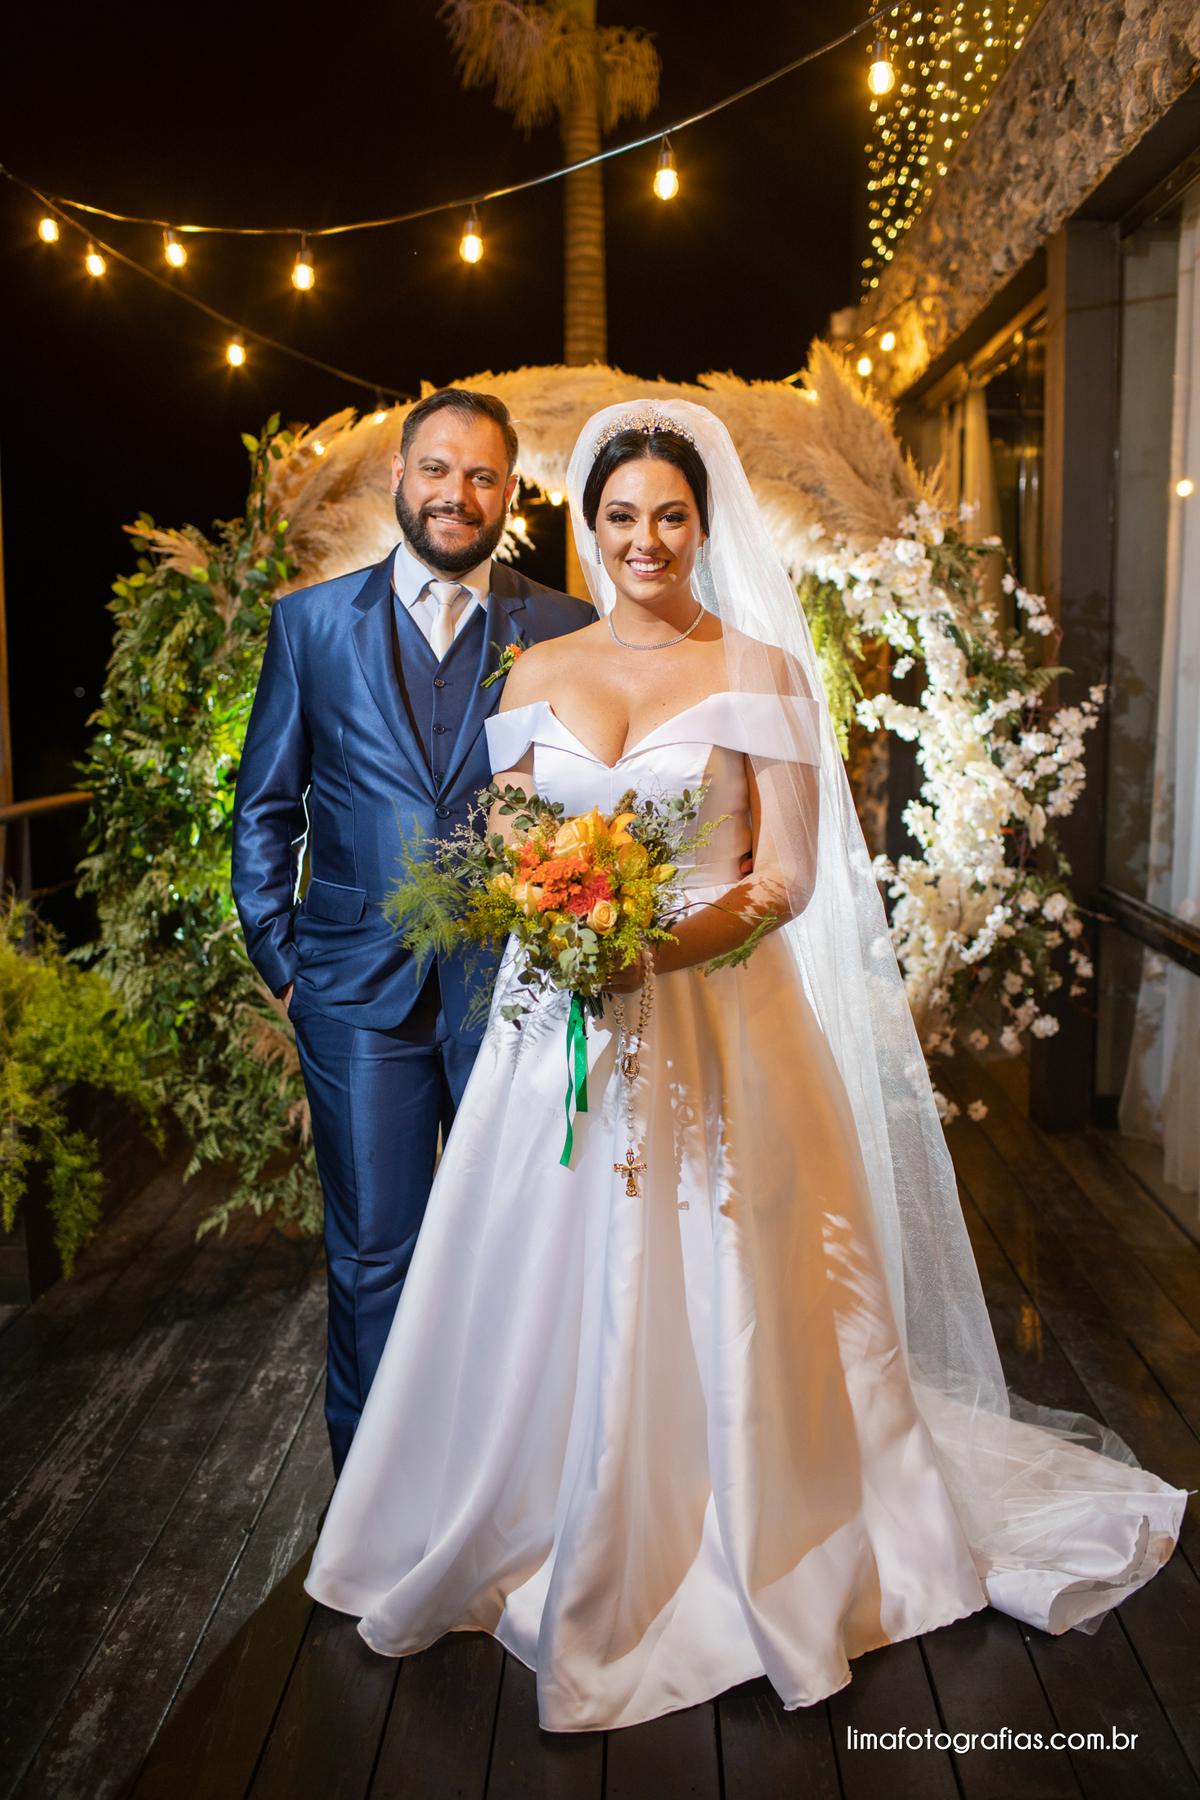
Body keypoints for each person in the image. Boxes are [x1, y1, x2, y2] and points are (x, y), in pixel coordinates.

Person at [305, 401, 1185, 1730]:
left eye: (669, 514)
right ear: (588, 530)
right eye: (619, 517)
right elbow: (508, 836)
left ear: (702, 523)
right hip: (560, 1028)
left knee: (724, 1278)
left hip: (717, 1018)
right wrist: (538, 904)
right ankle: (528, 1504)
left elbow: (784, 881)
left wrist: (648, 952)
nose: (644, 539)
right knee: (531, 1271)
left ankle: (744, 1531)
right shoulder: (539, 669)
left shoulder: (765, 667)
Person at [231, 388, 594, 1475]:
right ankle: (374, 1511)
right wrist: (287, 967)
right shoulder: (310, 627)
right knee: (374, 1260)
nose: (457, 494)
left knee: (515, 1258)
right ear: (401, 476)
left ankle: (504, 1491)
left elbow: (592, 803)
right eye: (438, 469)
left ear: (511, 496)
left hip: (517, 994)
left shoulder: (562, 627)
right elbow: (264, 809)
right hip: (352, 997)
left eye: (483, 476)